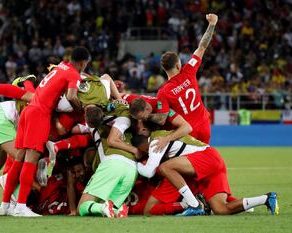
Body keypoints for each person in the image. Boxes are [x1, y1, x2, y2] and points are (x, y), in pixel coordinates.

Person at [0, 46, 90, 217]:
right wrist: (80, 110)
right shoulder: (74, 74)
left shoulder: (61, 66)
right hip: (40, 114)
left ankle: (4, 205)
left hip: (28, 110)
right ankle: (20, 206)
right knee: (31, 159)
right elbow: (71, 96)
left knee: (19, 158)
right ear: (83, 63)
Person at [132, 130, 279, 216]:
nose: (147, 153)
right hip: (213, 162)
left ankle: (194, 205)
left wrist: (136, 163)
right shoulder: (167, 133)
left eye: (144, 150)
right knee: (221, 210)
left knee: (165, 167)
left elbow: (149, 172)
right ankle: (266, 198)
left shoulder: (155, 142)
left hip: (206, 158)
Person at [157, 14, 219, 144]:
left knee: (190, 162)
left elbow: (162, 118)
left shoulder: (163, 92)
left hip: (187, 131)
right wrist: (212, 24)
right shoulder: (188, 71)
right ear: (178, 65)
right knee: (205, 157)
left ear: (164, 69)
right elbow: (202, 47)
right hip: (204, 124)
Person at [77, 105, 138, 218]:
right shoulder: (123, 123)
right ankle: (117, 210)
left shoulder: (93, 125)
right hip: (132, 169)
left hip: (113, 162)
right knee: (107, 209)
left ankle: (104, 208)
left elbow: (70, 129)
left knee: (82, 207)